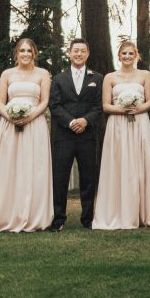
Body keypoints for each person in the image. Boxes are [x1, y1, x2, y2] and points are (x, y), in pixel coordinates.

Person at [0, 38, 54, 232]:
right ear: (16, 54)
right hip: (8, 125)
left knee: (32, 168)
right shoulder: (6, 74)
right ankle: (5, 214)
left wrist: (29, 116)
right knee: (9, 168)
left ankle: (33, 215)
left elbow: (44, 101)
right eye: (22, 50)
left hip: (34, 124)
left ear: (35, 54)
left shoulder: (43, 74)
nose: (26, 54)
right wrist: (10, 117)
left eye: (29, 50)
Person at [93, 40, 150, 230]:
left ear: (136, 55)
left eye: (131, 54)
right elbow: (105, 105)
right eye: (124, 54)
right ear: (119, 56)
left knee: (140, 164)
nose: (128, 57)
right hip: (118, 124)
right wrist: (123, 109)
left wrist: (136, 109)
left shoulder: (145, 75)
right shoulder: (110, 77)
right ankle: (117, 212)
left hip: (139, 122)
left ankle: (144, 213)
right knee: (118, 164)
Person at [48, 38, 103, 232]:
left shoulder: (97, 78)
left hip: (87, 135)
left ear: (88, 54)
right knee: (60, 178)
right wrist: (71, 122)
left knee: (88, 178)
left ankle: (87, 219)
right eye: (75, 51)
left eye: (82, 51)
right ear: (69, 54)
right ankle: (59, 219)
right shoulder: (58, 78)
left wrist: (85, 121)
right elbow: (54, 105)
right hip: (64, 135)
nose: (79, 54)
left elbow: (99, 106)